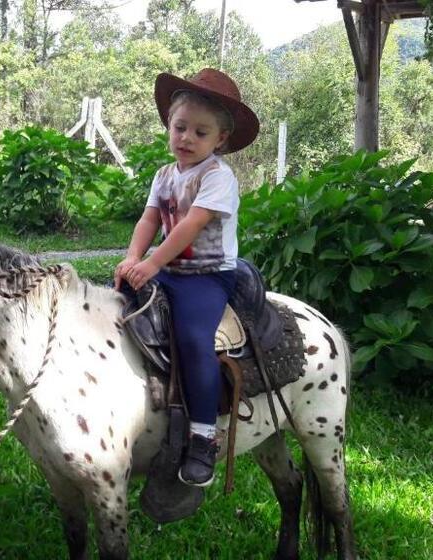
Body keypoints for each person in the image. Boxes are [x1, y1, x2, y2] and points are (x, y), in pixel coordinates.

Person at [114, 68, 259, 487]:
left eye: (200, 132)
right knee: (114, 306)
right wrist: (132, 257)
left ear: (220, 139)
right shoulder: (164, 175)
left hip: (207, 276)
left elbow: (191, 226)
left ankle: (202, 435)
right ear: (168, 126)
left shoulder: (218, 177)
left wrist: (151, 265)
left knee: (195, 340)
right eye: (180, 128)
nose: (187, 138)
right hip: (167, 269)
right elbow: (150, 219)